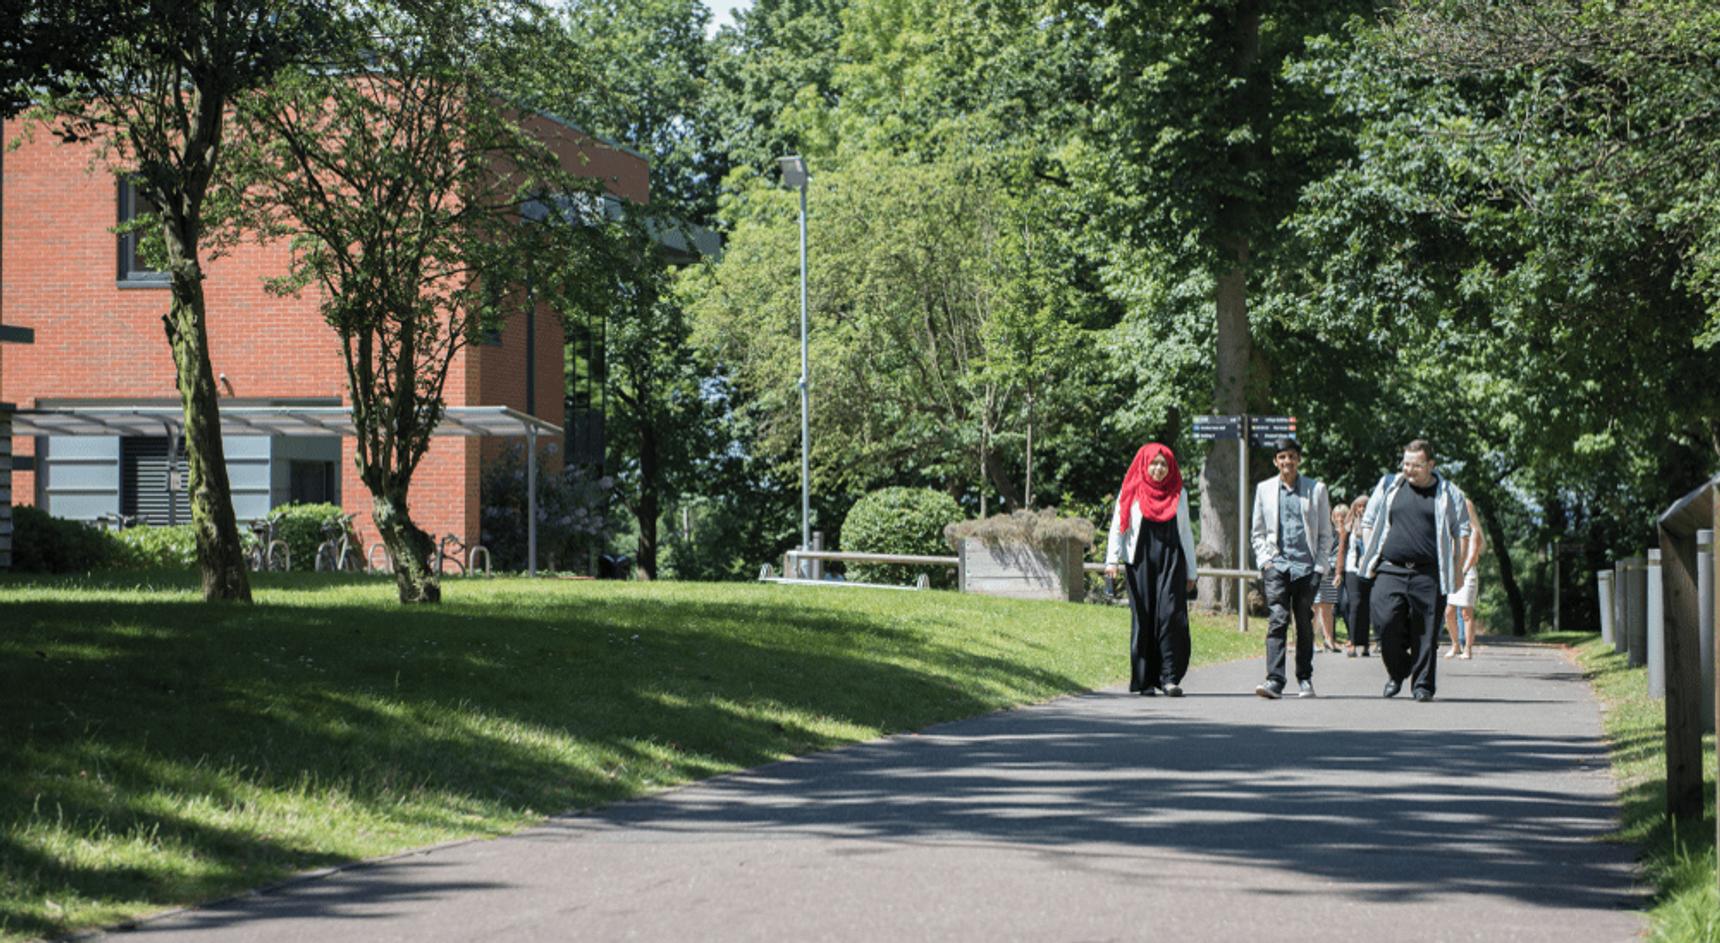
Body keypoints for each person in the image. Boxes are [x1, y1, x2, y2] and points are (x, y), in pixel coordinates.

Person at [1357, 439, 1472, 701]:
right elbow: (1369, 520)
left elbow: (1462, 529)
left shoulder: (1448, 492)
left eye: (1416, 465)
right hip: (1390, 568)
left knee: (1426, 631)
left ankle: (1422, 686)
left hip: (1429, 572)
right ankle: (1398, 670)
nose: (1409, 470)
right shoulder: (1389, 485)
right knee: (1384, 622)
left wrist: (1458, 568)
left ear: (1430, 464)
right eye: (1406, 463)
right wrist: (1371, 555)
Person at [1105, 443, 1198, 697]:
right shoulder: (1131, 490)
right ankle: (1145, 681)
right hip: (1140, 562)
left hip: (1171, 562)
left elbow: (1186, 532)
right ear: (1145, 465)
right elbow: (1118, 526)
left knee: (1170, 618)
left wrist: (1192, 571)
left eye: (1163, 464)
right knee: (1143, 619)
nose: (1158, 468)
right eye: (1154, 463)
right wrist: (1111, 561)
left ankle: (1169, 678)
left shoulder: (1179, 493)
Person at [1249, 438, 1334, 699]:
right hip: (1277, 565)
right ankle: (1274, 679)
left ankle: (1305, 678)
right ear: (1276, 461)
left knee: (1304, 623)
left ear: (1298, 460)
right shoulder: (1264, 489)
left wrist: (1320, 567)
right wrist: (1266, 561)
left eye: (1292, 456)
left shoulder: (1316, 489)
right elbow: (1258, 532)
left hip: (1307, 567)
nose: (1287, 461)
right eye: (1282, 457)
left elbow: (1325, 534)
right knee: (1277, 620)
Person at [1443, 497, 1486, 659]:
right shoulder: (1452, 531)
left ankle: (1467, 648)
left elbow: (1472, 555)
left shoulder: (1475, 532)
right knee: (1449, 612)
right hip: (1454, 574)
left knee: (1466, 613)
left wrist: (1461, 571)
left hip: (1467, 575)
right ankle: (1455, 645)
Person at [1338, 495, 1373, 657]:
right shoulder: (1349, 526)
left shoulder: (1372, 525)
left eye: (1364, 506)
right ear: (1354, 508)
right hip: (1351, 568)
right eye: (1359, 506)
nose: (1362, 509)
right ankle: (1352, 641)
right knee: (1354, 604)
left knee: (1366, 606)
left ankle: (1365, 643)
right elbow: (1342, 550)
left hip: (1368, 570)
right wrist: (1339, 572)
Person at [1314, 505, 1344, 653]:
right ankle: (1311, 641)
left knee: (1328, 606)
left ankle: (1329, 640)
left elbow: (1338, 552)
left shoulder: (1336, 534)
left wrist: (1330, 566)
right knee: (1314, 607)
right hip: (1315, 571)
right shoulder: (1314, 531)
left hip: (1330, 573)